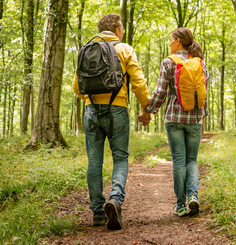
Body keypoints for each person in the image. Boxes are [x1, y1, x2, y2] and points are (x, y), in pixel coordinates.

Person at [73, 14, 150, 230]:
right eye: (122, 28)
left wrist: (91, 100)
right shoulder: (125, 49)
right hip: (118, 110)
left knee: (94, 161)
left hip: (91, 111)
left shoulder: (86, 50)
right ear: (116, 29)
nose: (123, 32)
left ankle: (97, 212)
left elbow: (77, 87)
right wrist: (146, 109)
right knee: (120, 158)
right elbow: (139, 83)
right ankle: (115, 200)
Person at [139, 27, 209, 217]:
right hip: (194, 118)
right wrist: (203, 115)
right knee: (192, 160)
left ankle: (180, 205)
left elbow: (160, 92)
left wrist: (148, 111)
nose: (169, 43)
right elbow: (204, 93)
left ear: (178, 41)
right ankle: (193, 196)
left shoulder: (168, 62)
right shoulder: (199, 63)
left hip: (174, 119)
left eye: (171, 39)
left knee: (179, 160)